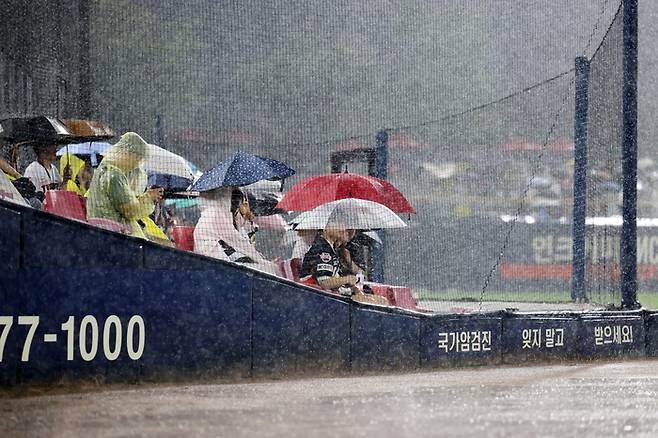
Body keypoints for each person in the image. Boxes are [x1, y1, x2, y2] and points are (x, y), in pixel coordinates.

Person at [85, 132, 163, 239]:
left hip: (103, 231)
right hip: (114, 234)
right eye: (138, 159)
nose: (137, 164)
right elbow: (130, 211)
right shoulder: (114, 175)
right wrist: (148, 198)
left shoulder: (104, 170)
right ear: (128, 154)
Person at [194, 186, 277, 274]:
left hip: (215, 262)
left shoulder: (222, 214)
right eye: (242, 202)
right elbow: (238, 242)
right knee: (265, 270)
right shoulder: (214, 214)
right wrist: (262, 261)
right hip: (214, 264)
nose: (243, 205)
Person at [299, 225, 358, 295]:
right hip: (310, 295)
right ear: (325, 228)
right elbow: (325, 282)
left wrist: (349, 290)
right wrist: (348, 279)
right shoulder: (322, 247)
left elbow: (333, 280)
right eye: (337, 224)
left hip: (318, 295)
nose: (342, 229)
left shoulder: (330, 247)